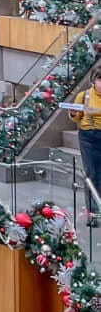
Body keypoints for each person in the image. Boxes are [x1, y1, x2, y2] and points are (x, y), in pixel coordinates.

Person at [71, 67, 101, 224]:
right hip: (88, 137)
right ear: (93, 81)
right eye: (99, 79)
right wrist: (73, 113)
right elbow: (76, 118)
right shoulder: (84, 96)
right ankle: (93, 213)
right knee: (91, 174)